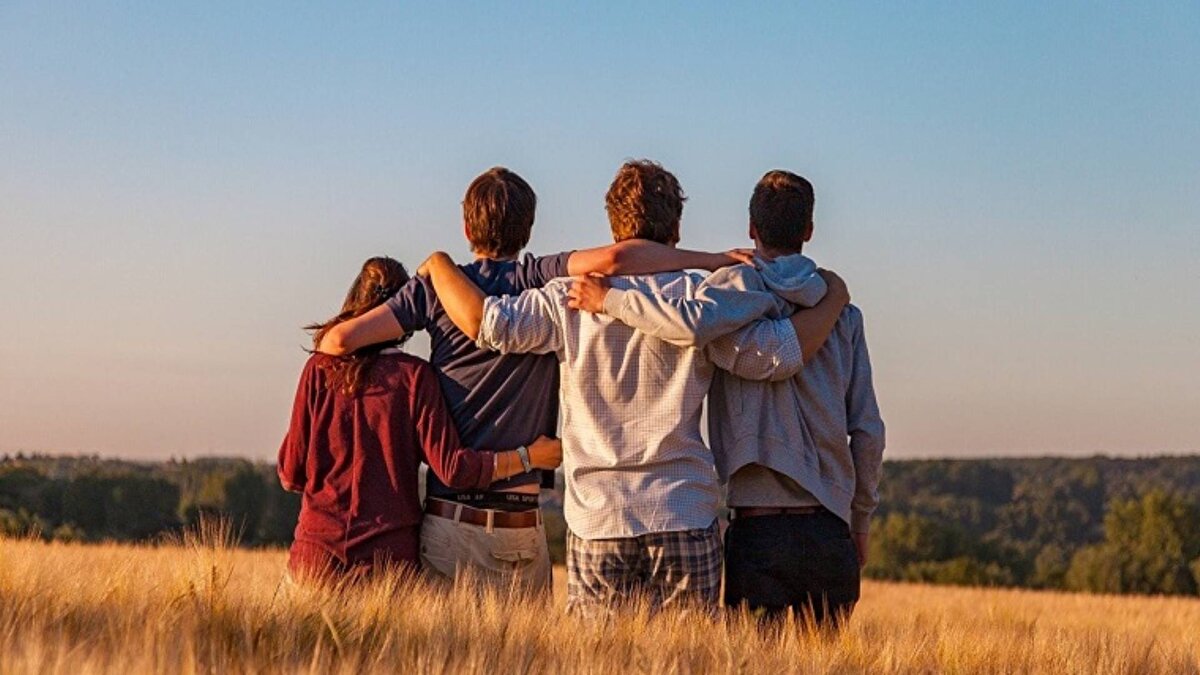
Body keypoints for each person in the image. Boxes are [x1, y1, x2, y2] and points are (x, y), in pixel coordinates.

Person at [417, 160, 850, 615]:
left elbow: (491, 325)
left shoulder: (569, 296)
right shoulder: (702, 297)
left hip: (598, 518)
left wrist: (440, 265)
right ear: (677, 227)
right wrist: (833, 295)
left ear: (613, 225)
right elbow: (772, 356)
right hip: (683, 509)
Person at [313, 167, 755, 593]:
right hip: (524, 524)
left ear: (467, 228)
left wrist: (409, 370)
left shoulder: (437, 289)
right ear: (528, 228)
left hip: (453, 519)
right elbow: (620, 257)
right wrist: (713, 259)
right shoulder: (541, 277)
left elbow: (337, 342)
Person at [569, 170, 885, 627]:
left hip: (756, 529)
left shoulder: (722, 301)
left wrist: (612, 300)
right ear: (809, 231)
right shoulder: (845, 316)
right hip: (829, 526)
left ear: (751, 229)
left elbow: (692, 325)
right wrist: (860, 520)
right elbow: (869, 431)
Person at [277, 256, 562, 582]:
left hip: (315, 558)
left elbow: (290, 474)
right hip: (387, 565)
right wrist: (529, 457)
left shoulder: (318, 369)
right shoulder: (415, 377)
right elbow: (454, 469)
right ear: (404, 313)